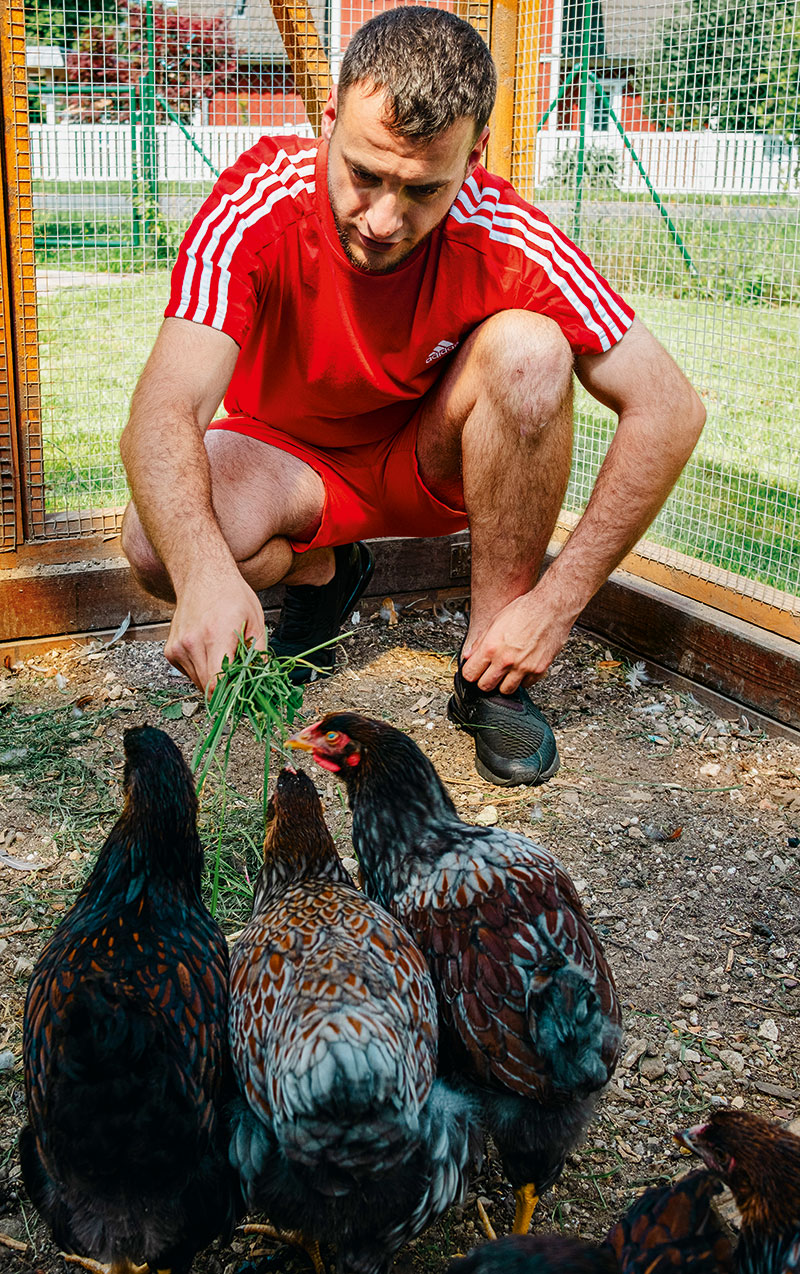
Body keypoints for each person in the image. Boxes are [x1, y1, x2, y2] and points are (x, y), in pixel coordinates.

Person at [119, 5, 705, 788]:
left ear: (475, 156)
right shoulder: (253, 204)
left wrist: (556, 604)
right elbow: (163, 411)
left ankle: (494, 667)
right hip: (288, 455)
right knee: (155, 546)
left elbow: (670, 408)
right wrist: (201, 572)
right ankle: (323, 574)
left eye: (424, 188)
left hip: (428, 462)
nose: (386, 219)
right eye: (364, 174)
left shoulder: (508, 233)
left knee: (531, 349)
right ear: (328, 121)